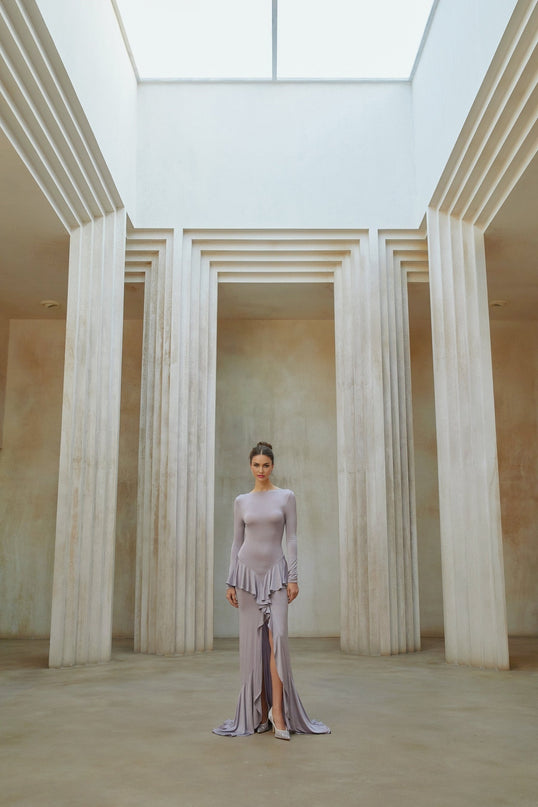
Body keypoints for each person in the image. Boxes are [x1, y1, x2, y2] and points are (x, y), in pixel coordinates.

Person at [213, 441, 330, 739]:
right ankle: (259, 712)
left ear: (272, 466)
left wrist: (293, 577)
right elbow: (236, 542)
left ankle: (279, 713)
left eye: (266, 465)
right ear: (250, 466)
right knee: (253, 647)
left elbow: (292, 539)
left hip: (276, 574)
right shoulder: (241, 501)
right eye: (256, 465)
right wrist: (229, 581)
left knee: (276, 637)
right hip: (246, 575)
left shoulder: (286, 497)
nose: (261, 470)